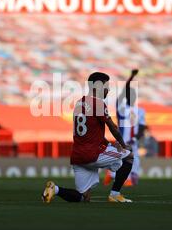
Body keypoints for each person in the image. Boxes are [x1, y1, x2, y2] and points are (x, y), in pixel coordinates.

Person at [42, 72, 134, 203]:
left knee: (83, 197)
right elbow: (113, 127)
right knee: (129, 156)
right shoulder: (98, 104)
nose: (108, 90)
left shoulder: (79, 104)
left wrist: (110, 145)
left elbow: (91, 132)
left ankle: (55, 189)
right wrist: (123, 145)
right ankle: (115, 194)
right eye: (106, 86)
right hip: (93, 154)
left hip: (78, 156)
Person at [105, 69, 146, 186]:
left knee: (135, 161)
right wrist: (131, 77)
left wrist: (135, 138)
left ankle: (127, 178)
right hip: (122, 141)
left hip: (133, 142)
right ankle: (114, 176)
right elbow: (124, 91)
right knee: (121, 159)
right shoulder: (122, 109)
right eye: (129, 94)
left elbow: (142, 127)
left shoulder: (140, 111)